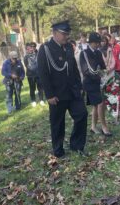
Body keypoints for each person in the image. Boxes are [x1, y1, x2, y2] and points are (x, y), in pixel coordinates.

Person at [37, 20, 88, 158]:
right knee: (58, 123)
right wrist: (49, 95)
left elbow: (74, 69)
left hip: (73, 91)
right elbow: (43, 73)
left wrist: (79, 86)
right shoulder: (46, 48)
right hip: (57, 93)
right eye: (64, 34)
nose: (66, 36)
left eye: (68, 33)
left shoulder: (68, 47)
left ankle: (76, 145)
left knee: (82, 115)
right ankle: (58, 150)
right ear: (54, 33)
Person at [80, 32, 111, 136]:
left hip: (98, 82)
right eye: (96, 43)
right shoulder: (84, 53)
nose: (98, 44)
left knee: (95, 106)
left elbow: (102, 66)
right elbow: (85, 70)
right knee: (100, 104)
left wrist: (105, 73)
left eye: (99, 42)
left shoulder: (98, 53)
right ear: (91, 42)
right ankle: (104, 126)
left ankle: (93, 126)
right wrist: (98, 75)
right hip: (89, 83)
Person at [23, 42, 44, 107]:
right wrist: (32, 71)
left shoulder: (38, 54)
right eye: (30, 48)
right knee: (32, 88)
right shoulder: (26, 57)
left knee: (40, 88)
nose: (31, 49)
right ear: (27, 49)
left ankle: (41, 100)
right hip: (31, 75)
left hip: (38, 74)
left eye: (32, 47)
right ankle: (33, 101)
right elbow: (27, 65)